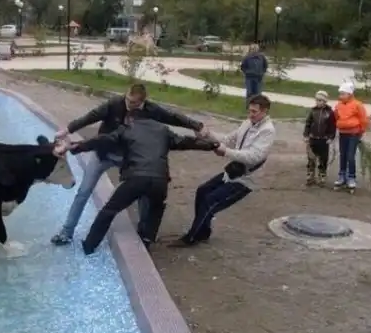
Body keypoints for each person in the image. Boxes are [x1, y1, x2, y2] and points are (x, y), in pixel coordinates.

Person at [50, 83, 209, 246]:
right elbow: (90, 116)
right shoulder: (114, 104)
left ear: (142, 101)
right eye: (127, 99)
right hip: (103, 154)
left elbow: (173, 117)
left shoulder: (151, 110)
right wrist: (67, 130)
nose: (128, 104)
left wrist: (197, 126)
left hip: (128, 158)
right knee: (84, 191)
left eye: (133, 102)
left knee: (144, 194)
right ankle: (66, 232)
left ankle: (144, 233)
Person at [64, 113, 220, 254]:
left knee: (109, 210)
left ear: (130, 118)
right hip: (160, 180)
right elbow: (186, 141)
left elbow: (103, 139)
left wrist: (78, 147)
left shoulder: (127, 129)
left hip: (136, 179)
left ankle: (89, 245)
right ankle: (146, 239)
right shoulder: (163, 130)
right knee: (156, 208)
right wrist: (211, 145)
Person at [168, 94, 275, 248]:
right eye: (249, 110)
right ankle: (203, 232)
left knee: (210, 201)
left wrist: (226, 152)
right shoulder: (247, 123)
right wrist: (207, 135)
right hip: (233, 171)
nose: (250, 115)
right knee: (202, 191)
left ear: (264, 111)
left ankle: (191, 237)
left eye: (254, 112)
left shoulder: (268, 131)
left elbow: (254, 157)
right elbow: (227, 139)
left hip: (246, 179)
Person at [333, 82, 369, 190]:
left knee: (350, 156)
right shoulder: (338, 105)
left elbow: (363, 119)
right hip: (343, 133)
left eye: (343, 94)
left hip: (353, 134)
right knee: (342, 155)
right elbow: (336, 116)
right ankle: (342, 175)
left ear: (349, 94)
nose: (341, 96)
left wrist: (361, 131)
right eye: (340, 94)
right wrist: (338, 125)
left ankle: (351, 177)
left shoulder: (357, 105)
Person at [303, 90, 336, 185]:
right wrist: (306, 135)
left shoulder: (330, 112)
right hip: (313, 139)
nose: (318, 102)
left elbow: (332, 126)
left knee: (323, 159)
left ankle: (322, 175)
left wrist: (331, 137)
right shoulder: (313, 111)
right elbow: (308, 123)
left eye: (320, 100)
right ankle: (310, 175)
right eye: (317, 100)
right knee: (311, 158)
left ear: (325, 101)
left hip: (324, 140)